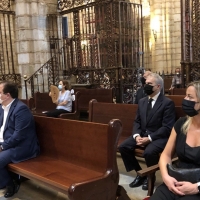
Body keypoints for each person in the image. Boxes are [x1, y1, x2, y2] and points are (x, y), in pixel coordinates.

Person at [119, 73, 175, 191]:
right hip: (142, 134)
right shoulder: (142, 101)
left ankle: (150, 177)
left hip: (159, 137)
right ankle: (140, 174)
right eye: (145, 83)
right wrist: (136, 135)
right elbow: (137, 121)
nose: (146, 86)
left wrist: (149, 138)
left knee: (149, 152)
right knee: (123, 147)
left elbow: (166, 127)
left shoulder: (167, 103)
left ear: (158, 86)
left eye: (150, 84)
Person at [150, 81, 200, 200]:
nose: (185, 99)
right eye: (185, 95)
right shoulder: (181, 124)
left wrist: (196, 187)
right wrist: (166, 177)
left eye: (190, 97)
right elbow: (166, 155)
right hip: (176, 179)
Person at [0, 81, 40, 198]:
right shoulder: (2, 107)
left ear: (8, 95)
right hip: (7, 142)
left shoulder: (21, 110)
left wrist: (2, 147)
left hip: (22, 146)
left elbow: (19, 136)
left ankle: (10, 184)